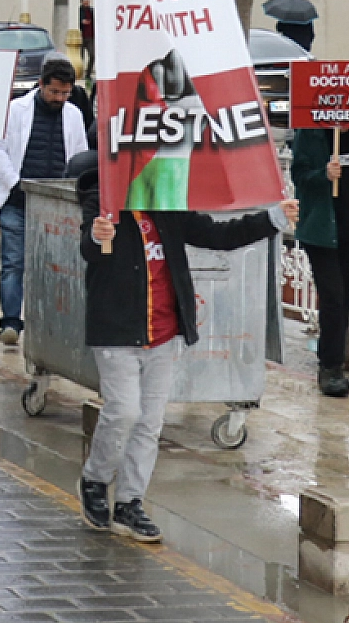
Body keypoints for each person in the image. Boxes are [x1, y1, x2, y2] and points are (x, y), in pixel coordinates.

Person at [75, 150, 295, 542]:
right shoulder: (103, 196)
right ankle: (95, 479)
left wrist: (272, 218)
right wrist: (96, 234)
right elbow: (88, 248)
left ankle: (130, 501)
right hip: (116, 329)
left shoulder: (168, 199)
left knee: (150, 420)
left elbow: (216, 234)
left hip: (163, 330)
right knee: (123, 411)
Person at [0, 58, 87, 345]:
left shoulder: (74, 116)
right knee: (13, 263)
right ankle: (10, 323)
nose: (60, 98)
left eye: (65, 93)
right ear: (41, 84)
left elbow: (79, 155)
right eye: (55, 92)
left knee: (54, 265)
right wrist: (15, 182)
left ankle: (47, 322)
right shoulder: (15, 111)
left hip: (56, 204)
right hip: (18, 201)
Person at [290, 125, 349, 397]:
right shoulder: (311, 132)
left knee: (344, 297)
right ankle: (329, 367)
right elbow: (299, 174)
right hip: (320, 230)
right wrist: (324, 175)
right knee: (332, 295)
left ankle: (335, 358)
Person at [78, 0, 95, 78]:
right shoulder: (79, 11)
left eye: (88, 1)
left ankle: (88, 74)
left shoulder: (92, 11)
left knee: (92, 55)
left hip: (90, 37)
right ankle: (79, 73)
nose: (86, 3)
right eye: (85, 1)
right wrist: (82, 22)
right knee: (80, 57)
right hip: (81, 36)